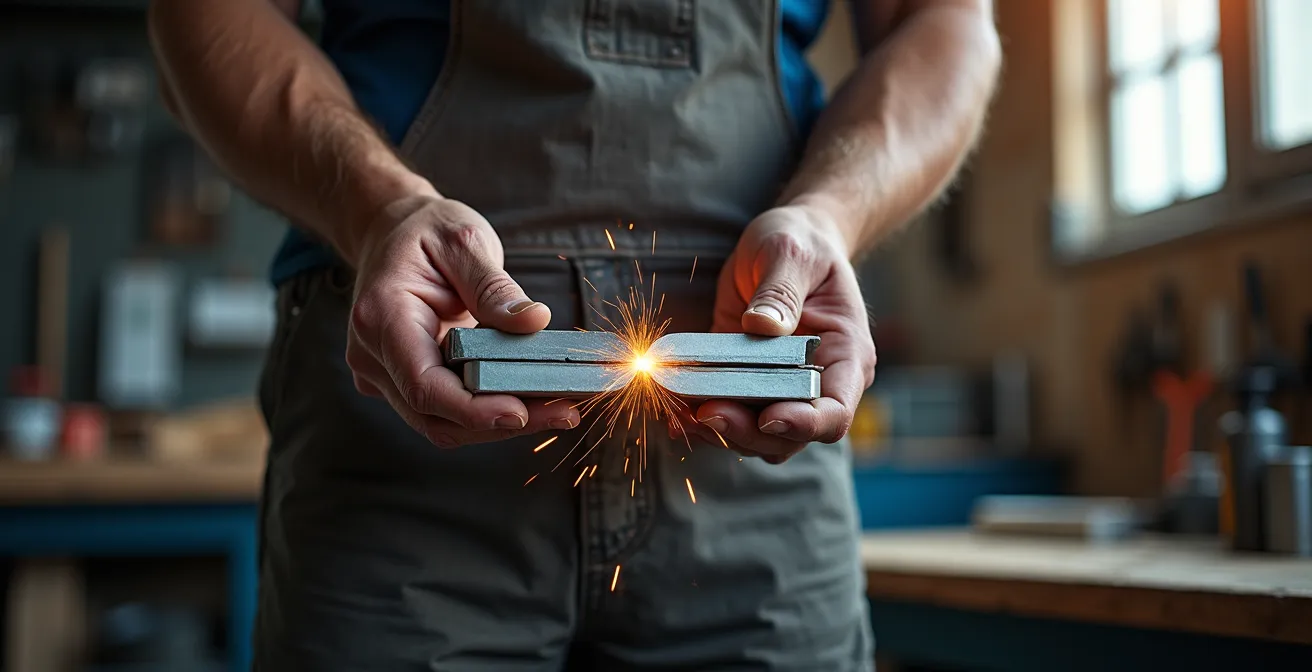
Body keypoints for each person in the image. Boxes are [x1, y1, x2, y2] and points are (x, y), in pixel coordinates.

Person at [149, 0, 999, 669]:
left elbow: (946, 19)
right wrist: (379, 210)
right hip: (400, 417)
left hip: (754, 454)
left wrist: (829, 215)